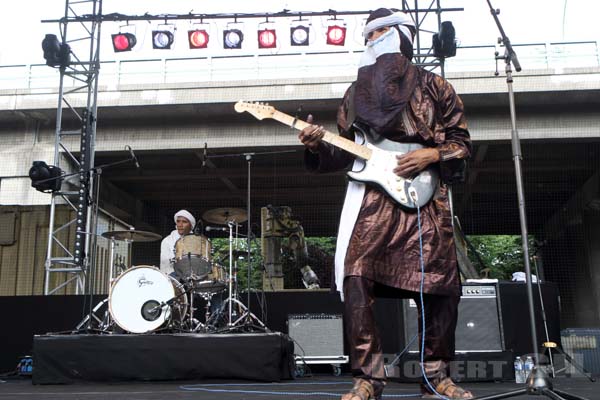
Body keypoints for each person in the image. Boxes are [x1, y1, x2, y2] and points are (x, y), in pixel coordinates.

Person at [299, 8, 473, 400]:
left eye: (381, 32)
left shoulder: (436, 86)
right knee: (356, 277)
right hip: (373, 203)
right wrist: (316, 147)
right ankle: (368, 379)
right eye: (368, 36)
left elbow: (462, 144)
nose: (373, 40)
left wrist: (430, 156)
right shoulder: (354, 95)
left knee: (442, 286)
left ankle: (436, 377)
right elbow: (344, 154)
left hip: (425, 201)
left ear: (402, 36)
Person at [160, 209, 196, 276]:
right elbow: (164, 266)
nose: (180, 225)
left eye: (184, 222)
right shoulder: (167, 241)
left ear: (191, 226)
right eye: (178, 221)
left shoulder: (197, 241)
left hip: (193, 275)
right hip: (172, 276)